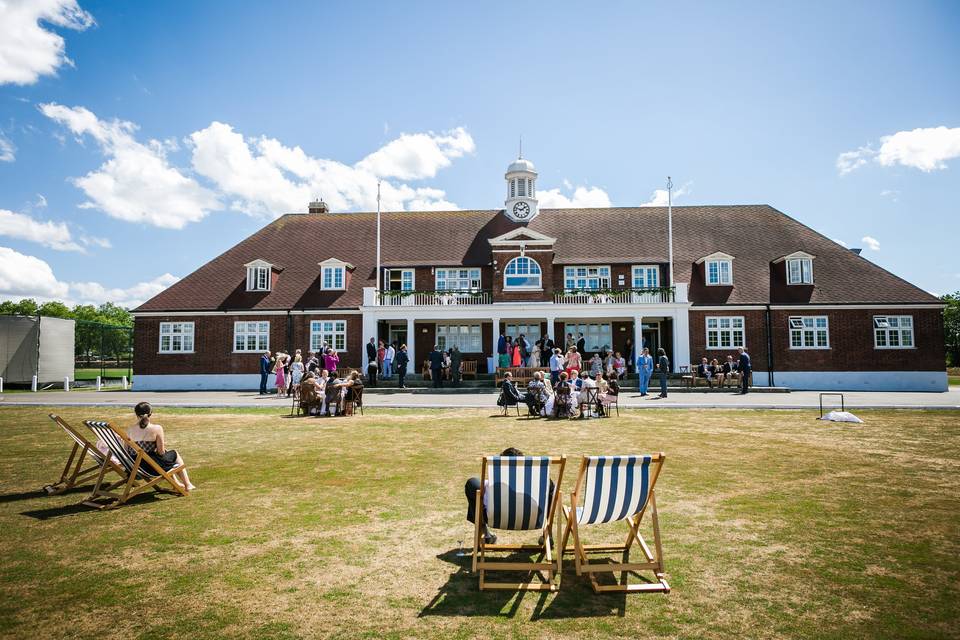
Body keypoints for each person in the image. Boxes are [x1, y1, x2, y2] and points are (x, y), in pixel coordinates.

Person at [464, 446, 526, 544]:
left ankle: (485, 532)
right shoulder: (531, 486)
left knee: (471, 484)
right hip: (527, 518)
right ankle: (547, 536)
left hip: (495, 517)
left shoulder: (495, 485)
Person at [130, 402, 194, 491]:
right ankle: (187, 484)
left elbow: (126, 450)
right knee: (174, 454)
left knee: (164, 457)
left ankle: (175, 483)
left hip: (135, 467)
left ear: (136, 414)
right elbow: (161, 452)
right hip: (151, 468)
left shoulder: (130, 430)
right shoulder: (156, 428)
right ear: (150, 413)